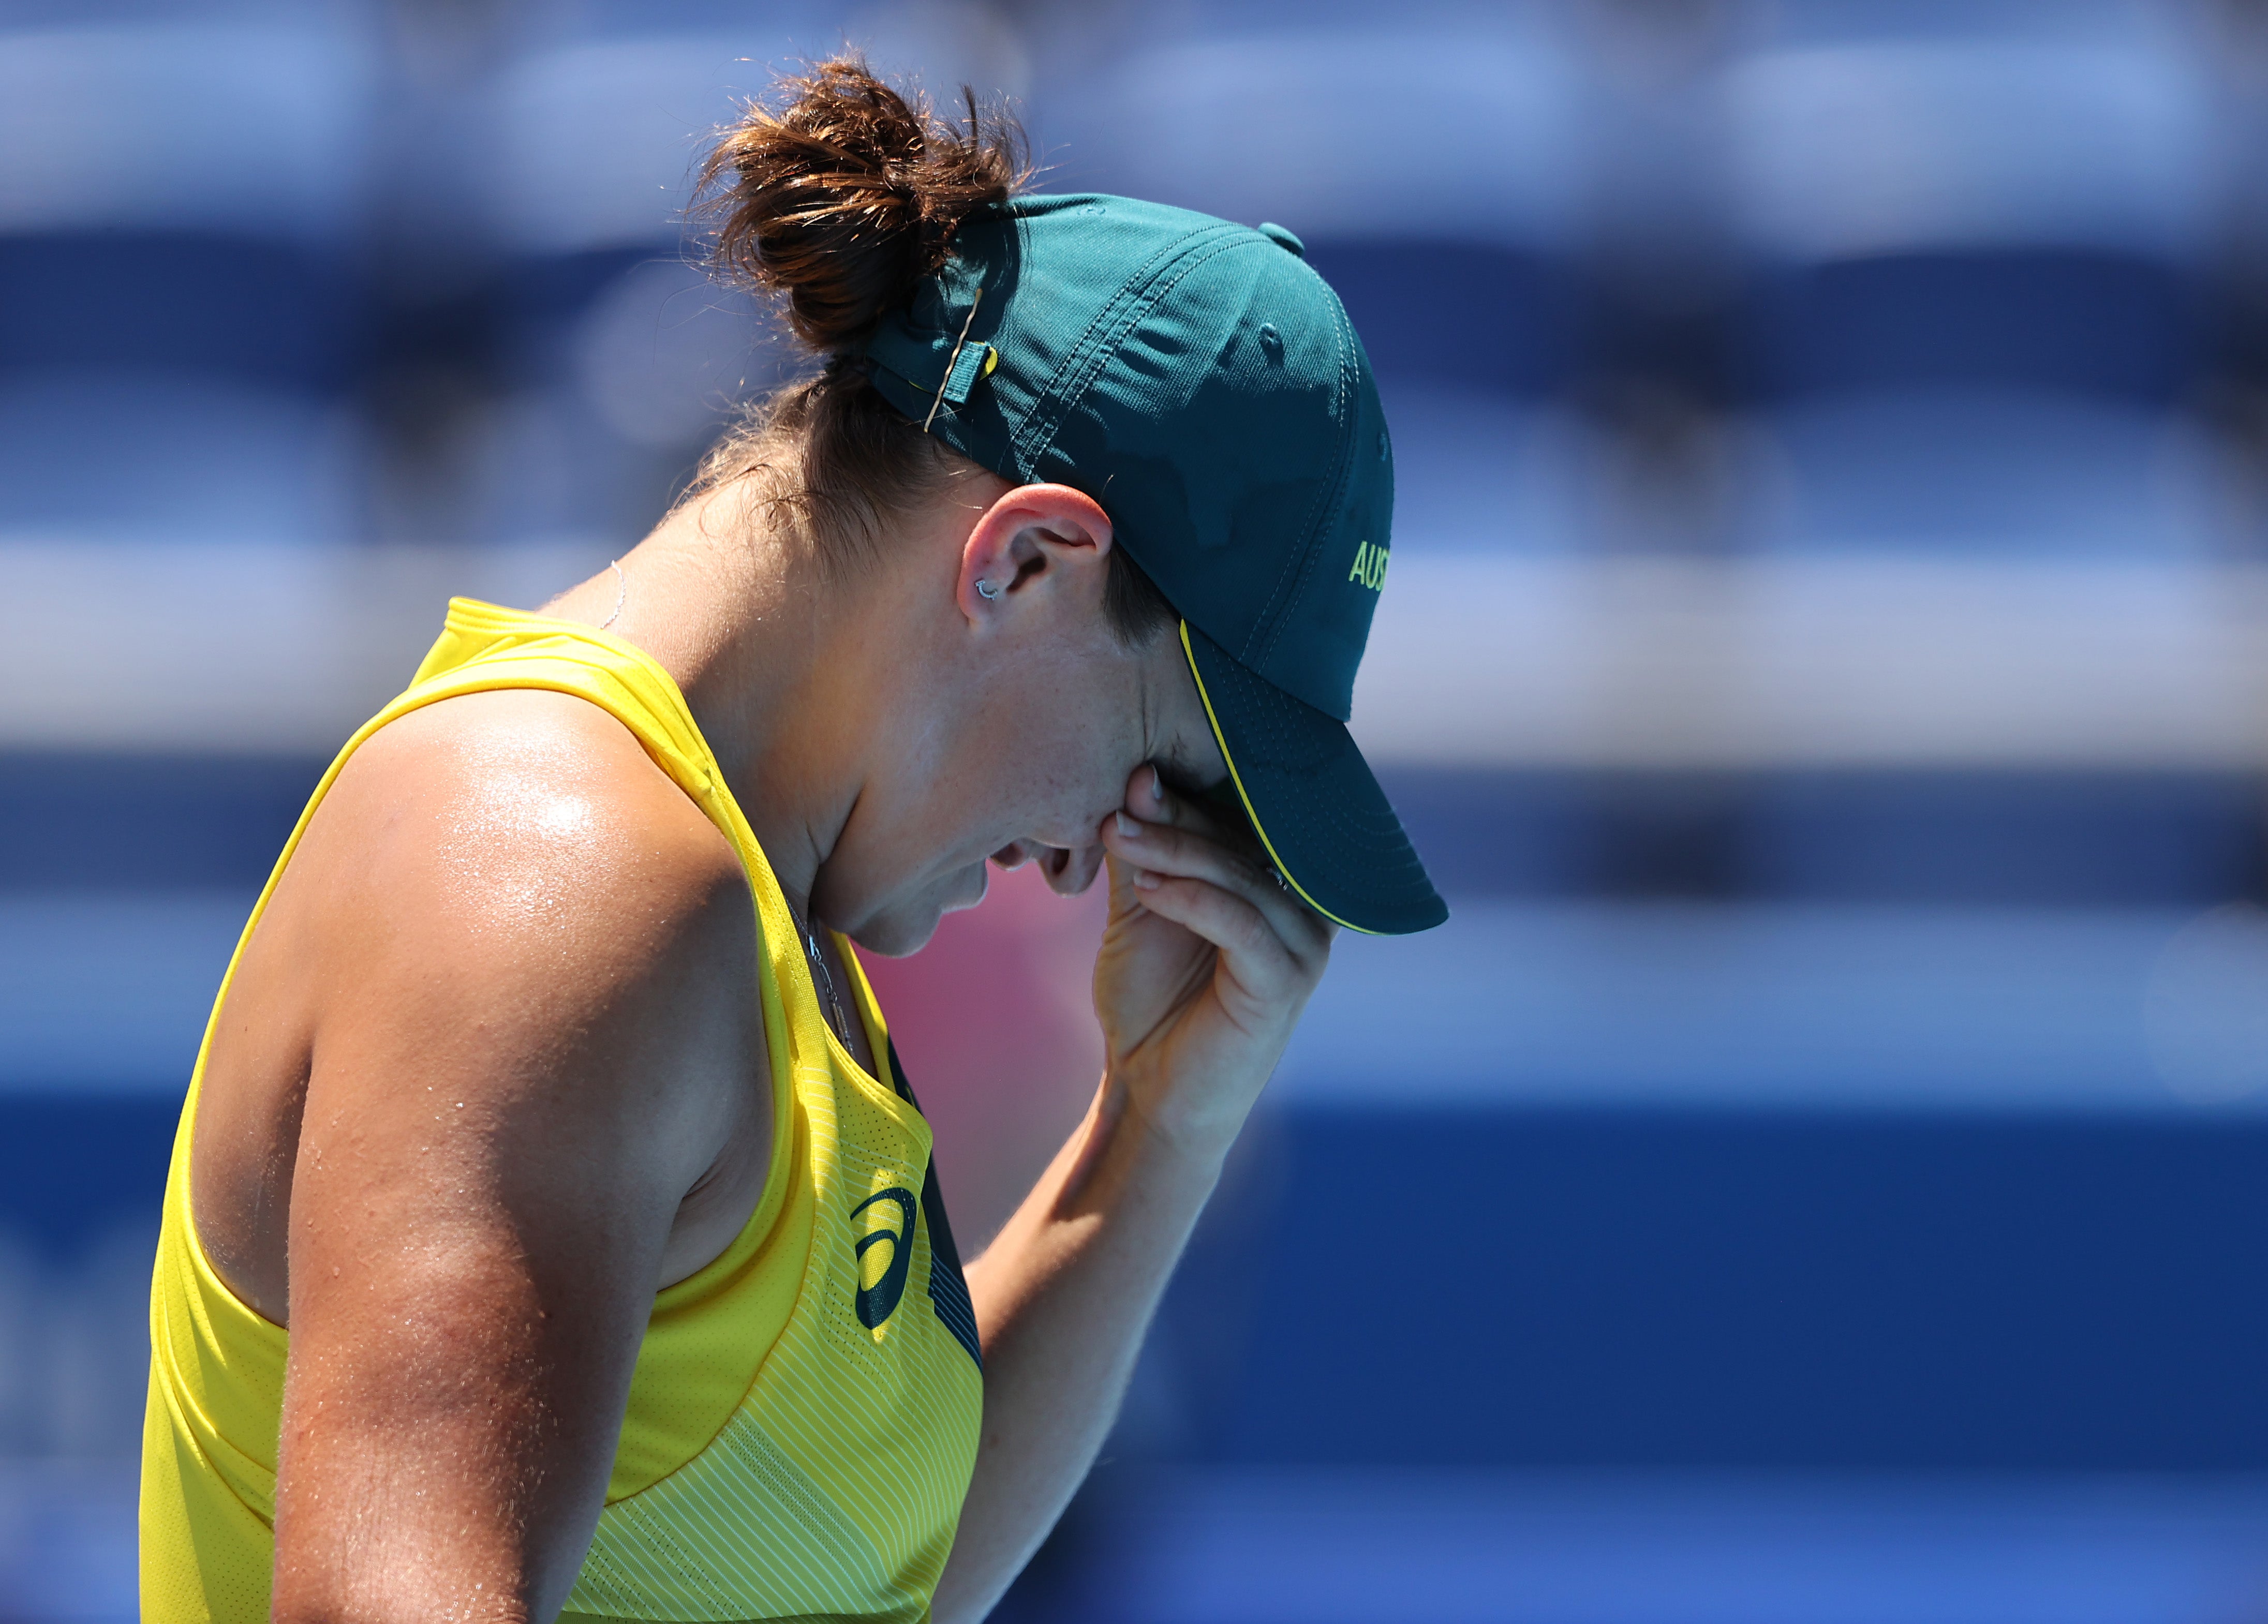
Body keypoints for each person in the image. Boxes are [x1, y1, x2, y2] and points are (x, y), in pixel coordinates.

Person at [142, 58, 1445, 1623]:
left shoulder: (759, 905)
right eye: (1167, 749)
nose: (1112, 848)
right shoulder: (556, 878)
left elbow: (859, 1585)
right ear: (1028, 562)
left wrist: (1156, 1126)